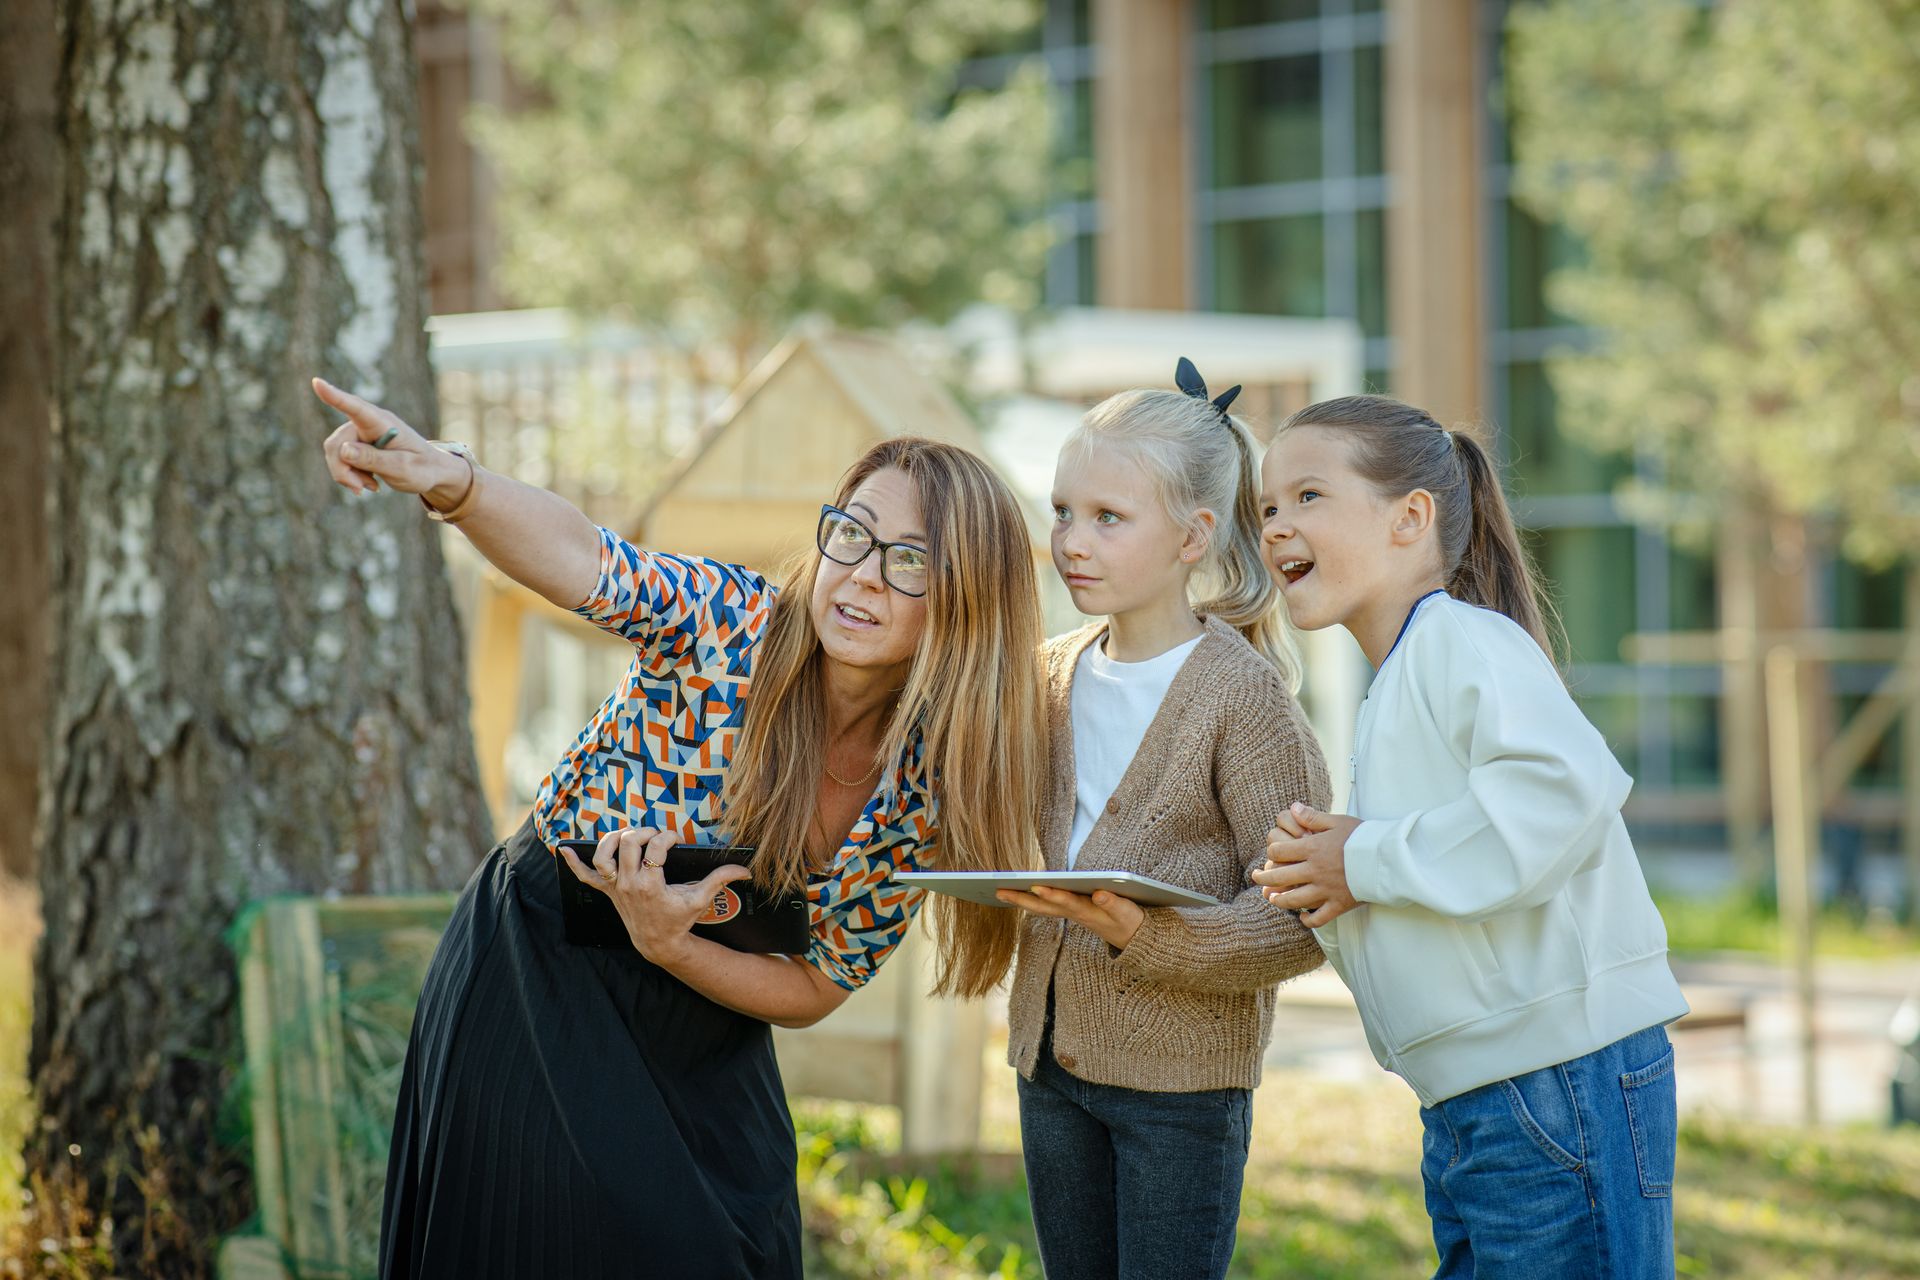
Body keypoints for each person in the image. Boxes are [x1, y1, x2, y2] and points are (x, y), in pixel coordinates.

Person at [312, 376, 1048, 1280]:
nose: (860, 575)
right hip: (543, 971)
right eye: (852, 534)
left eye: (910, 561)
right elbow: (589, 556)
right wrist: (448, 480)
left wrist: (674, 950)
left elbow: (821, 980)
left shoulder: (930, 779)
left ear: (968, 599)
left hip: (706, 1013)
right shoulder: (729, 625)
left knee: (741, 1250)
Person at [1252, 394, 1689, 1279]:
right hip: (1475, 1105)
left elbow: (1560, 797)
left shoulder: (1465, 639)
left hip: (1558, 1084)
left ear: (1411, 517)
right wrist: (1334, 885)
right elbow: (1440, 893)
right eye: (1265, 508)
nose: (1274, 527)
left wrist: (1362, 858)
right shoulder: (1398, 681)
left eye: (1307, 497)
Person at [996, 360, 1329, 1280]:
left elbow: (1302, 919)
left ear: (1194, 536)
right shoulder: (1047, 673)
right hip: (1049, 1066)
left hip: (1182, 1088)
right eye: (1064, 511)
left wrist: (1147, 936)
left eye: (1109, 518)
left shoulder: (1244, 700)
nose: (1073, 540)